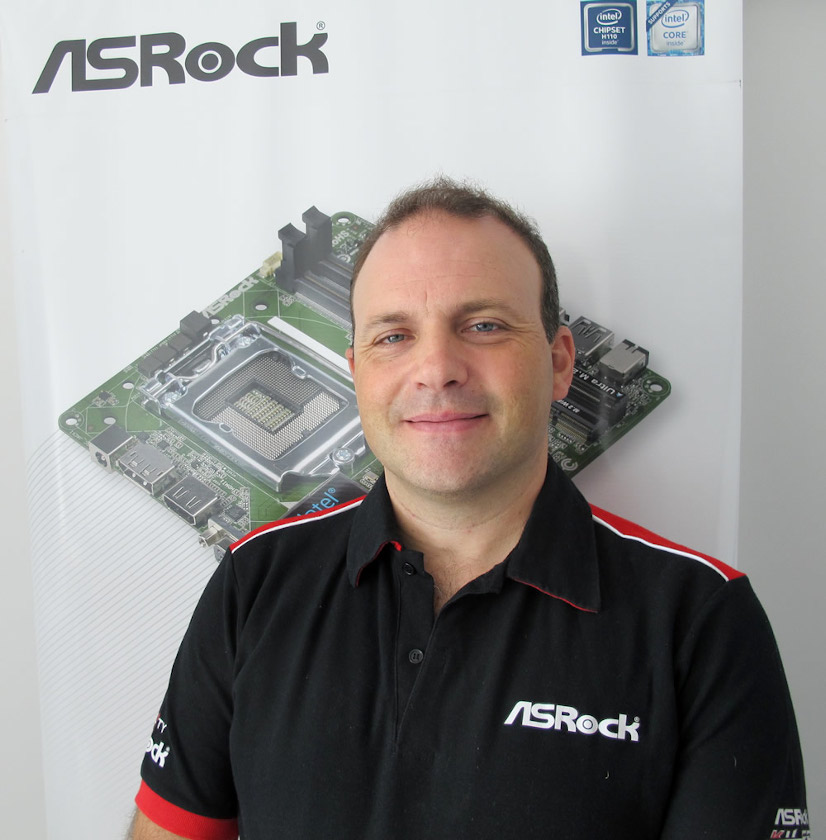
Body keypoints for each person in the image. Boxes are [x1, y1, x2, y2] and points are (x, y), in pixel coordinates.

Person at [130, 178, 809, 839]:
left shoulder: (701, 621)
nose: (437, 369)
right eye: (394, 336)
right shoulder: (254, 581)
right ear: (356, 372)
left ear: (560, 363)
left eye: (483, 325)